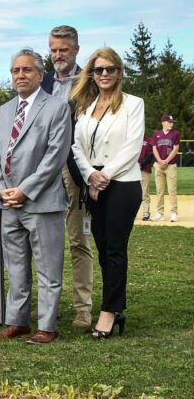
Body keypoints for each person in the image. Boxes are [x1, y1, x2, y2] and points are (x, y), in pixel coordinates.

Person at [0, 48, 71, 345]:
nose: (20, 75)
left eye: (27, 70)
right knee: (17, 267)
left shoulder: (57, 107)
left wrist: (25, 190)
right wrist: (2, 192)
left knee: (48, 268)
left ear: (40, 74)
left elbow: (55, 156)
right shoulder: (4, 111)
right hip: (9, 204)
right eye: (15, 71)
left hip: (42, 202)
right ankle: (17, 321)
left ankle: (47, 326)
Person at [71, 47, 144, 339]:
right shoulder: (85, 107)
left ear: (119, 72)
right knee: (103, 251)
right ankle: (117, 306)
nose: (104, 75)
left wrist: (106, 175)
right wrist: (90, 175)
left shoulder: (133, 104)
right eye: (99, 70)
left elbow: (133, 145)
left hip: (122, 183)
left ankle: (108, 313)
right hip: (94, 183)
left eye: (109, 69)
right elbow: (76, 147)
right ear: (91, 73)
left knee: (114, 249)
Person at [41, 25, 94, 330]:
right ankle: (48, 305)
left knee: (78, 240)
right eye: (53, 50)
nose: (57, 55)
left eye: (63, 49)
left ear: (76, 49)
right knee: (44, 240)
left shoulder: (89, 82)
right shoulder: (43, 81)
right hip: (45, 168)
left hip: (75, 167)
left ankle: (82, 308)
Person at [151, 115, 181, 222]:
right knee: (159, 190)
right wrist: (159, 160)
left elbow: (175, 149)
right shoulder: (156, 134)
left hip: (171, 165)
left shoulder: (175, 134)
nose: (172, 124)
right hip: (158, 165)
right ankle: (160, 213)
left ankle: (174, 213)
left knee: (172, 190)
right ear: (163, 122)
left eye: (172, 122)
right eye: (169, 122)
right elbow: (154, 148)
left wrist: (166, 161)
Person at [138, 136, 155, 220]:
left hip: (144, 169)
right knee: (133, 193)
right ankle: (132, 213)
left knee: (144, 192)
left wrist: (141, 164)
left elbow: (150, 155)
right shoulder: (132, 138)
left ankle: (146, 213)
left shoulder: (149, 140)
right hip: (131, 170)